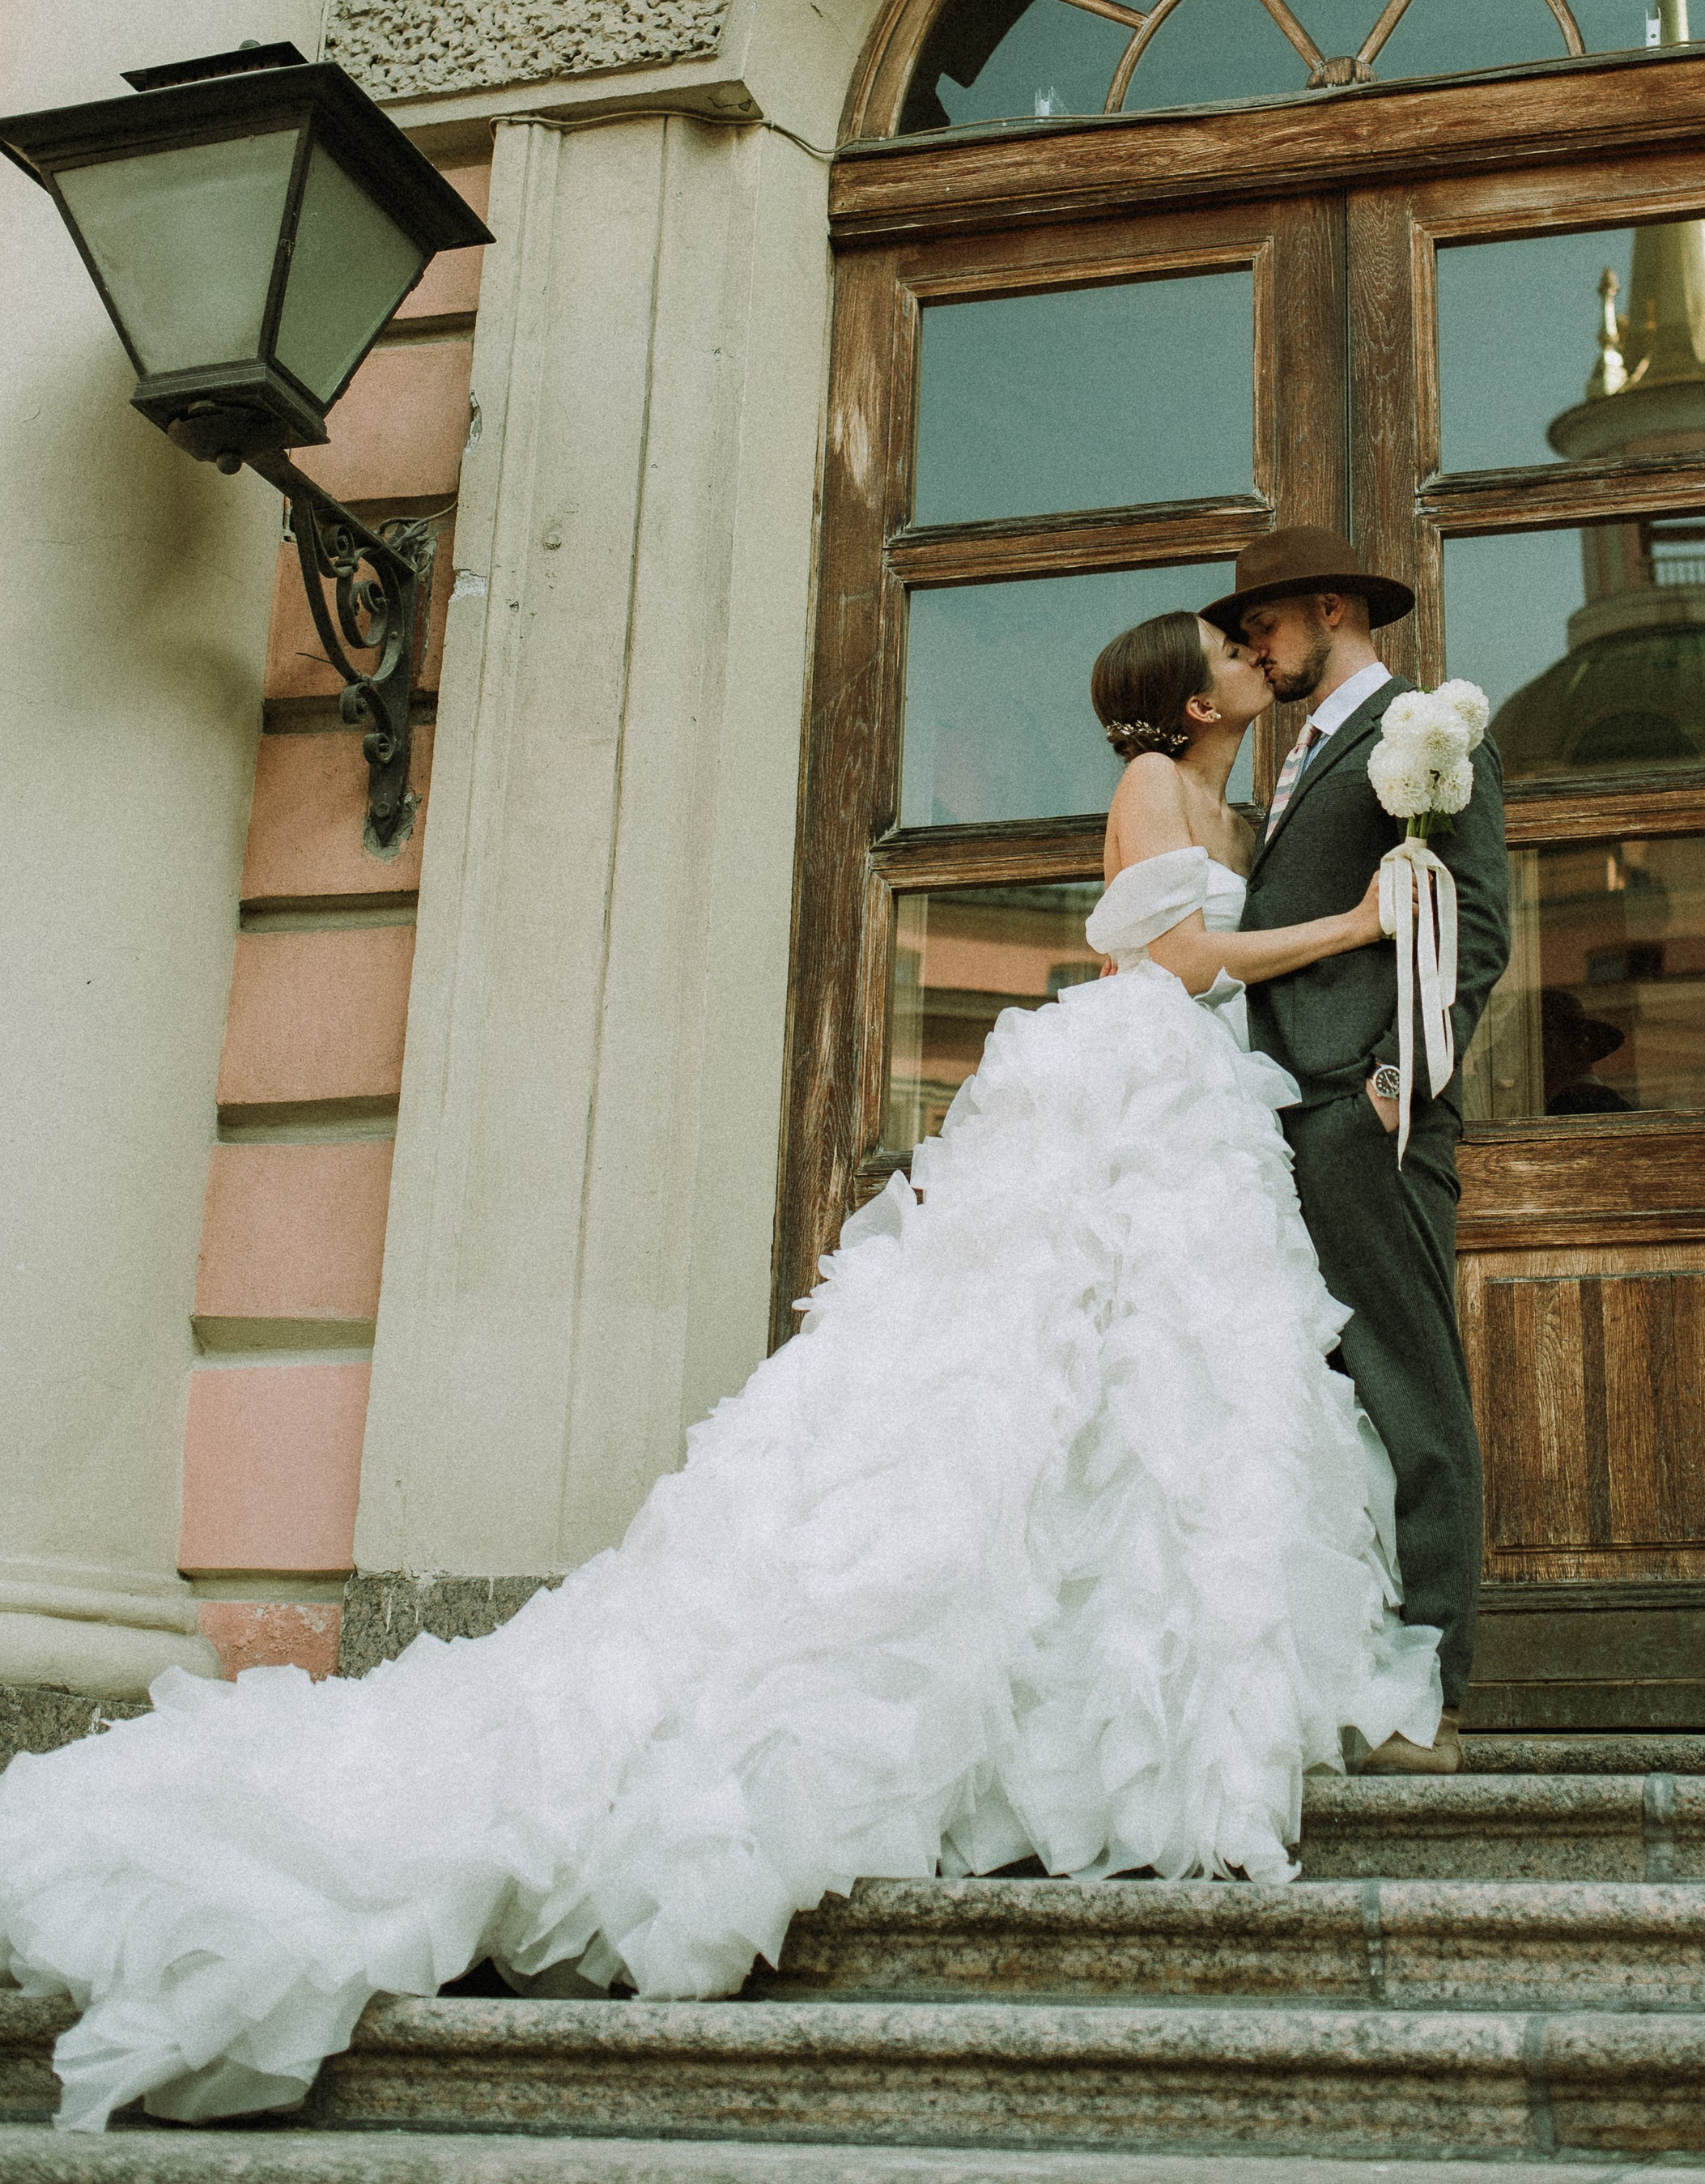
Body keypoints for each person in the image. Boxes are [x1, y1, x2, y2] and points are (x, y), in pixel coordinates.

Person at [0, 609, 1441, 2135]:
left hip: (1201, 1114)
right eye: (1227, 648)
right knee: (1018, 1382)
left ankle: (1098, 1713)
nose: (1246, 660)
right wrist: (1356, 929)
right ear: (1180, 689)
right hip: (1130, 1095)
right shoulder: (1154, 786)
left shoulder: (1239, 796)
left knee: (1148, 1407)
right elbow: (1177, 951)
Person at [1210, 528, 1512, 1776]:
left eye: (1263, 626)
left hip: (1361, 1114)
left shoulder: (1431, 730)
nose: (1249, 650)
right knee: (1324, 1406)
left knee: (1407, 1381)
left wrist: (1398, 1075)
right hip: (1280, 1118)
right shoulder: (1308, 754)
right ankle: (1348, 1671)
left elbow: (1473, 928)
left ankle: (1432, 1685)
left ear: (1328, 607)